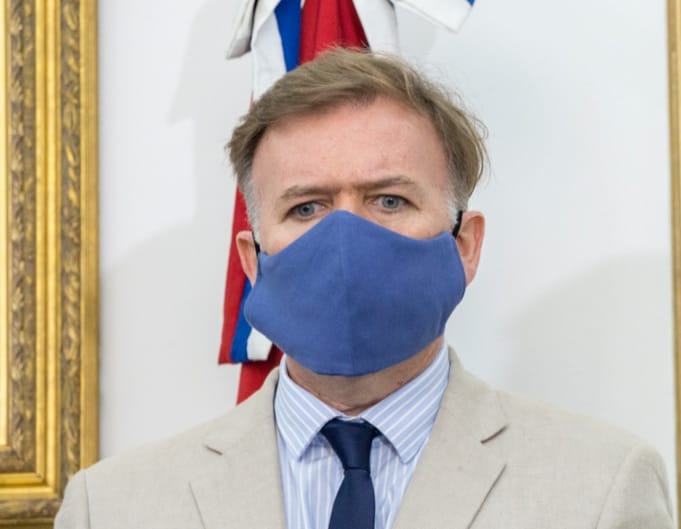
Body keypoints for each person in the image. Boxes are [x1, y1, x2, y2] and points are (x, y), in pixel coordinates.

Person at [55, 49, 673, 529]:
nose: (346, 240)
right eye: (305, 207)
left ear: (465, 244)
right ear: (252, 260)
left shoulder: (603, 487)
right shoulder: (109, 507)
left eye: (389, 200)